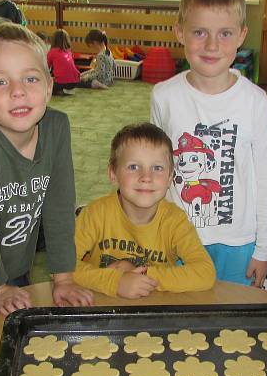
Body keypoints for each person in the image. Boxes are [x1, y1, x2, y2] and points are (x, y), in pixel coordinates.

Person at [150, 0, 267, 288]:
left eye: (224, 33)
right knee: (180, 321)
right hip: (180, 238)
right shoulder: (163, 96)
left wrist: (264, 250)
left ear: (241, 36)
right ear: (179, 31)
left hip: (238, 243)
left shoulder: (255, 101)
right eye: (199, 32)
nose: (211, 45)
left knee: (234, 324)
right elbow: (156, 170)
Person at [0, 23, 93, 315]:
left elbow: (59, 207)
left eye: (30, 79)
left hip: (16, 264)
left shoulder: (57, 127)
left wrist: (64, 278)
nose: (18, 92)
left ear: (48, 87)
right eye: (0, 82)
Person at [74, 122, 216, 298]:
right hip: (102, 308)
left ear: (170, 177)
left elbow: (205, 273)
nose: (146, 177)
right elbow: (62, 268)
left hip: (152, 311)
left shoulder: (174, 220)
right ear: (112, 173)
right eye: (134, 167)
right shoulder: (94, 214)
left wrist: (142, 276)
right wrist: (115, 281)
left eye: (157, 168)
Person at [47, 28, 80, 96]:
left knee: (45, 87)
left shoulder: (52, 52)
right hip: (75, 82)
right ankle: (64, 90)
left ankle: (59, 91)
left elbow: (46, 68)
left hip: (61, 83)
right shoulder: (69, 51)